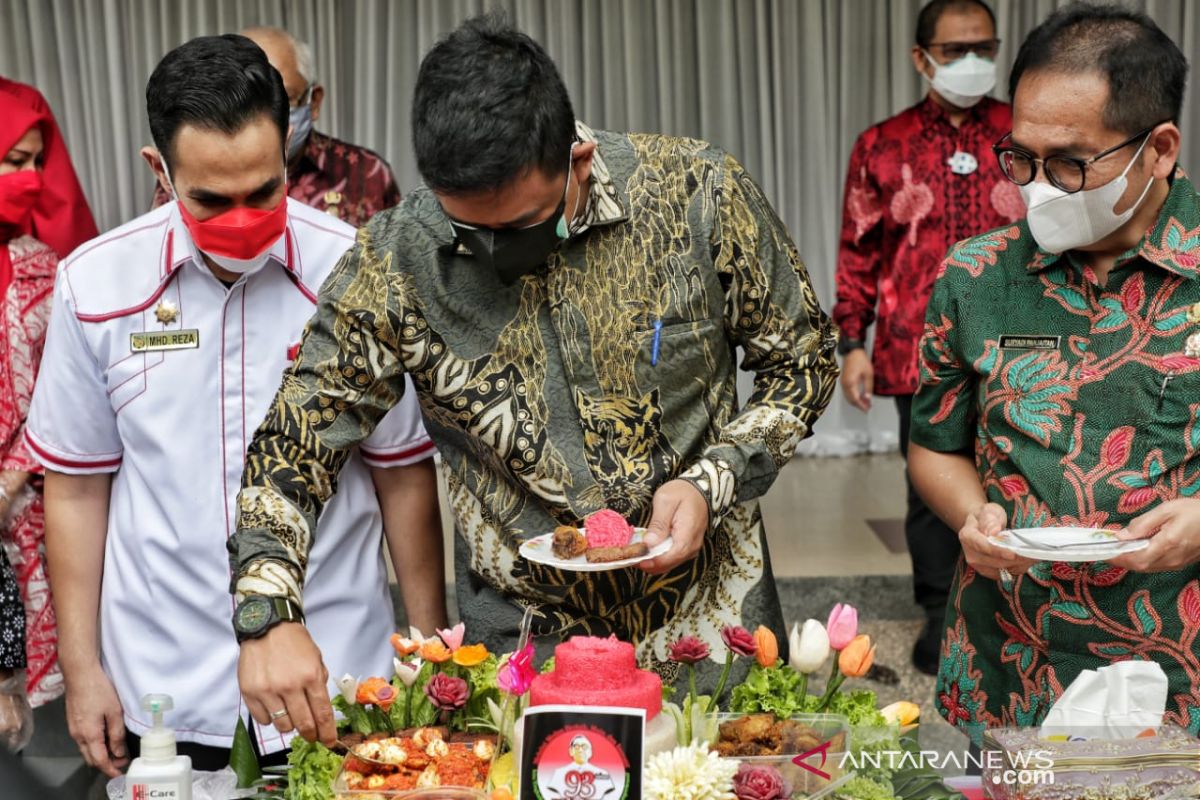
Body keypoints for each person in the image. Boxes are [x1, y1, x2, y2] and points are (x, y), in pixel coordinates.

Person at [229, 12, 838, 745]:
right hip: (522, 663)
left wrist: (716, 476)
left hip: (710, 642)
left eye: (517, 228)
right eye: (468, 233)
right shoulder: (397, 259)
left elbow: (801, 360)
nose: (492, 255)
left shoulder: (696, 192)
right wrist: (265, 608)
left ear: (577, 162)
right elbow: (294, 444)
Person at [26, 35, 442, 775]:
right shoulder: (96, 288)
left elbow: (402, 473)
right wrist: (83, 670)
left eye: (264, 192)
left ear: (288, 151)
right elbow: (78, 488)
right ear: (160, 170)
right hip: (161, 694)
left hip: (340, 681)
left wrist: (431, 643)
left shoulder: (355, 270)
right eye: (213, 201)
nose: (244, 219)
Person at [908, 2, 1200, 744]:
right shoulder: (975, 276)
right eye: (1022, 158)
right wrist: (971, 516)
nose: (1036, 188)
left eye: (1069, 163)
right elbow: (935, 445)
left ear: (1159, 148)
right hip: (1011, 655)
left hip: (1178, 662)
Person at [833, 0, 1024, 675]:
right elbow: (858, 250)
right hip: (917, 351)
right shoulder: (880, 144)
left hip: (1021, 348)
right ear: (921, 58)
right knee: (929, 488)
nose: (973, 61)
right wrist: (851, 341)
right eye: (955, 50)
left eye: (985, 46)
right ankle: (943, 613)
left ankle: (1012, 614)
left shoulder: (1022, 132)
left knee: (1018, 479)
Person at [150, 27, 400, 227]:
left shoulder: (367, 173)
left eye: (285, 98)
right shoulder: (191, 172)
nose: (271, 113)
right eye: (214, 200)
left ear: (314, 101)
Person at [0, 87, 69, 735]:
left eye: (34, 163)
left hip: (18, 508)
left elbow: (64, 394)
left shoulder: (42, 270)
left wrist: (7, 481)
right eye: (10, 161)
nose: (27, 181)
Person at [0, 78, 98, 258]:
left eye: (38, 162)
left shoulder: (32, 266)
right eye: (16, 161)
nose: (33, 175)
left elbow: (60, 209)